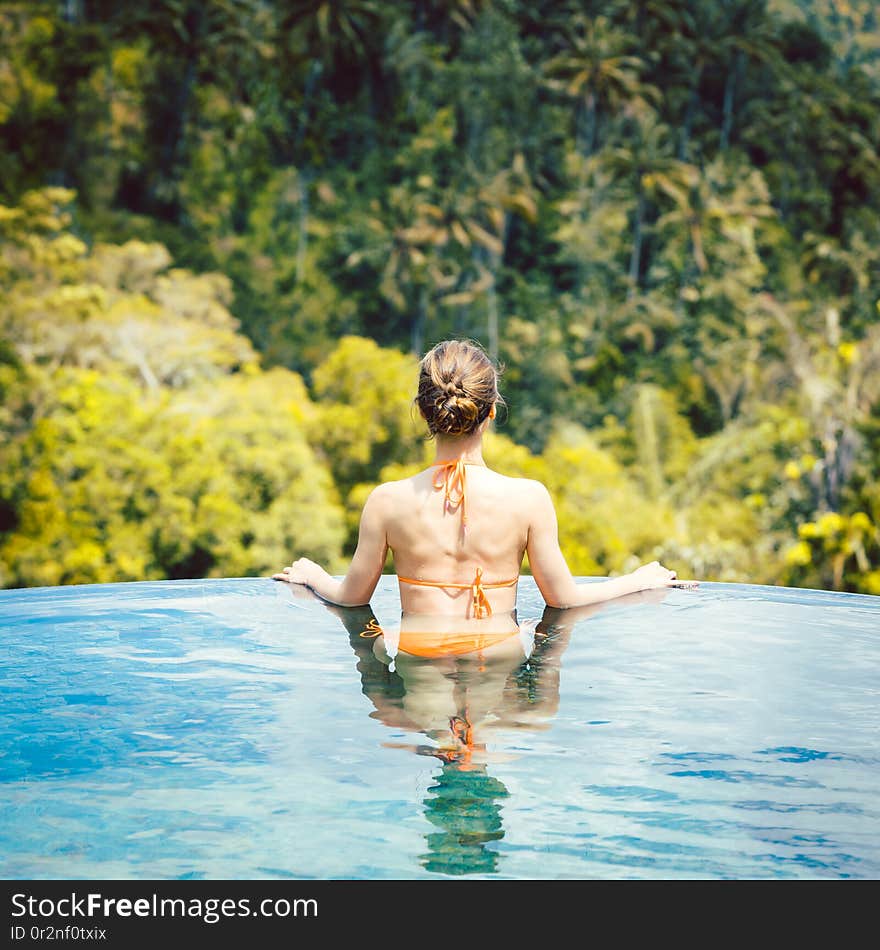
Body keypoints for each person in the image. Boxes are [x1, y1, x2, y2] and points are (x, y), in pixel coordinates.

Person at [273, 338, 695, 613]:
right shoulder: (529, 499)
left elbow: (351, 597)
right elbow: (564, 599)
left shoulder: (386, 501)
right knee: (538, 712)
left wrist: (313, 577)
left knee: (390, 722)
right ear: (491, 412)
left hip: (423, 691)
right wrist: (636, 581)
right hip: (497, 689)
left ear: (423, 411)